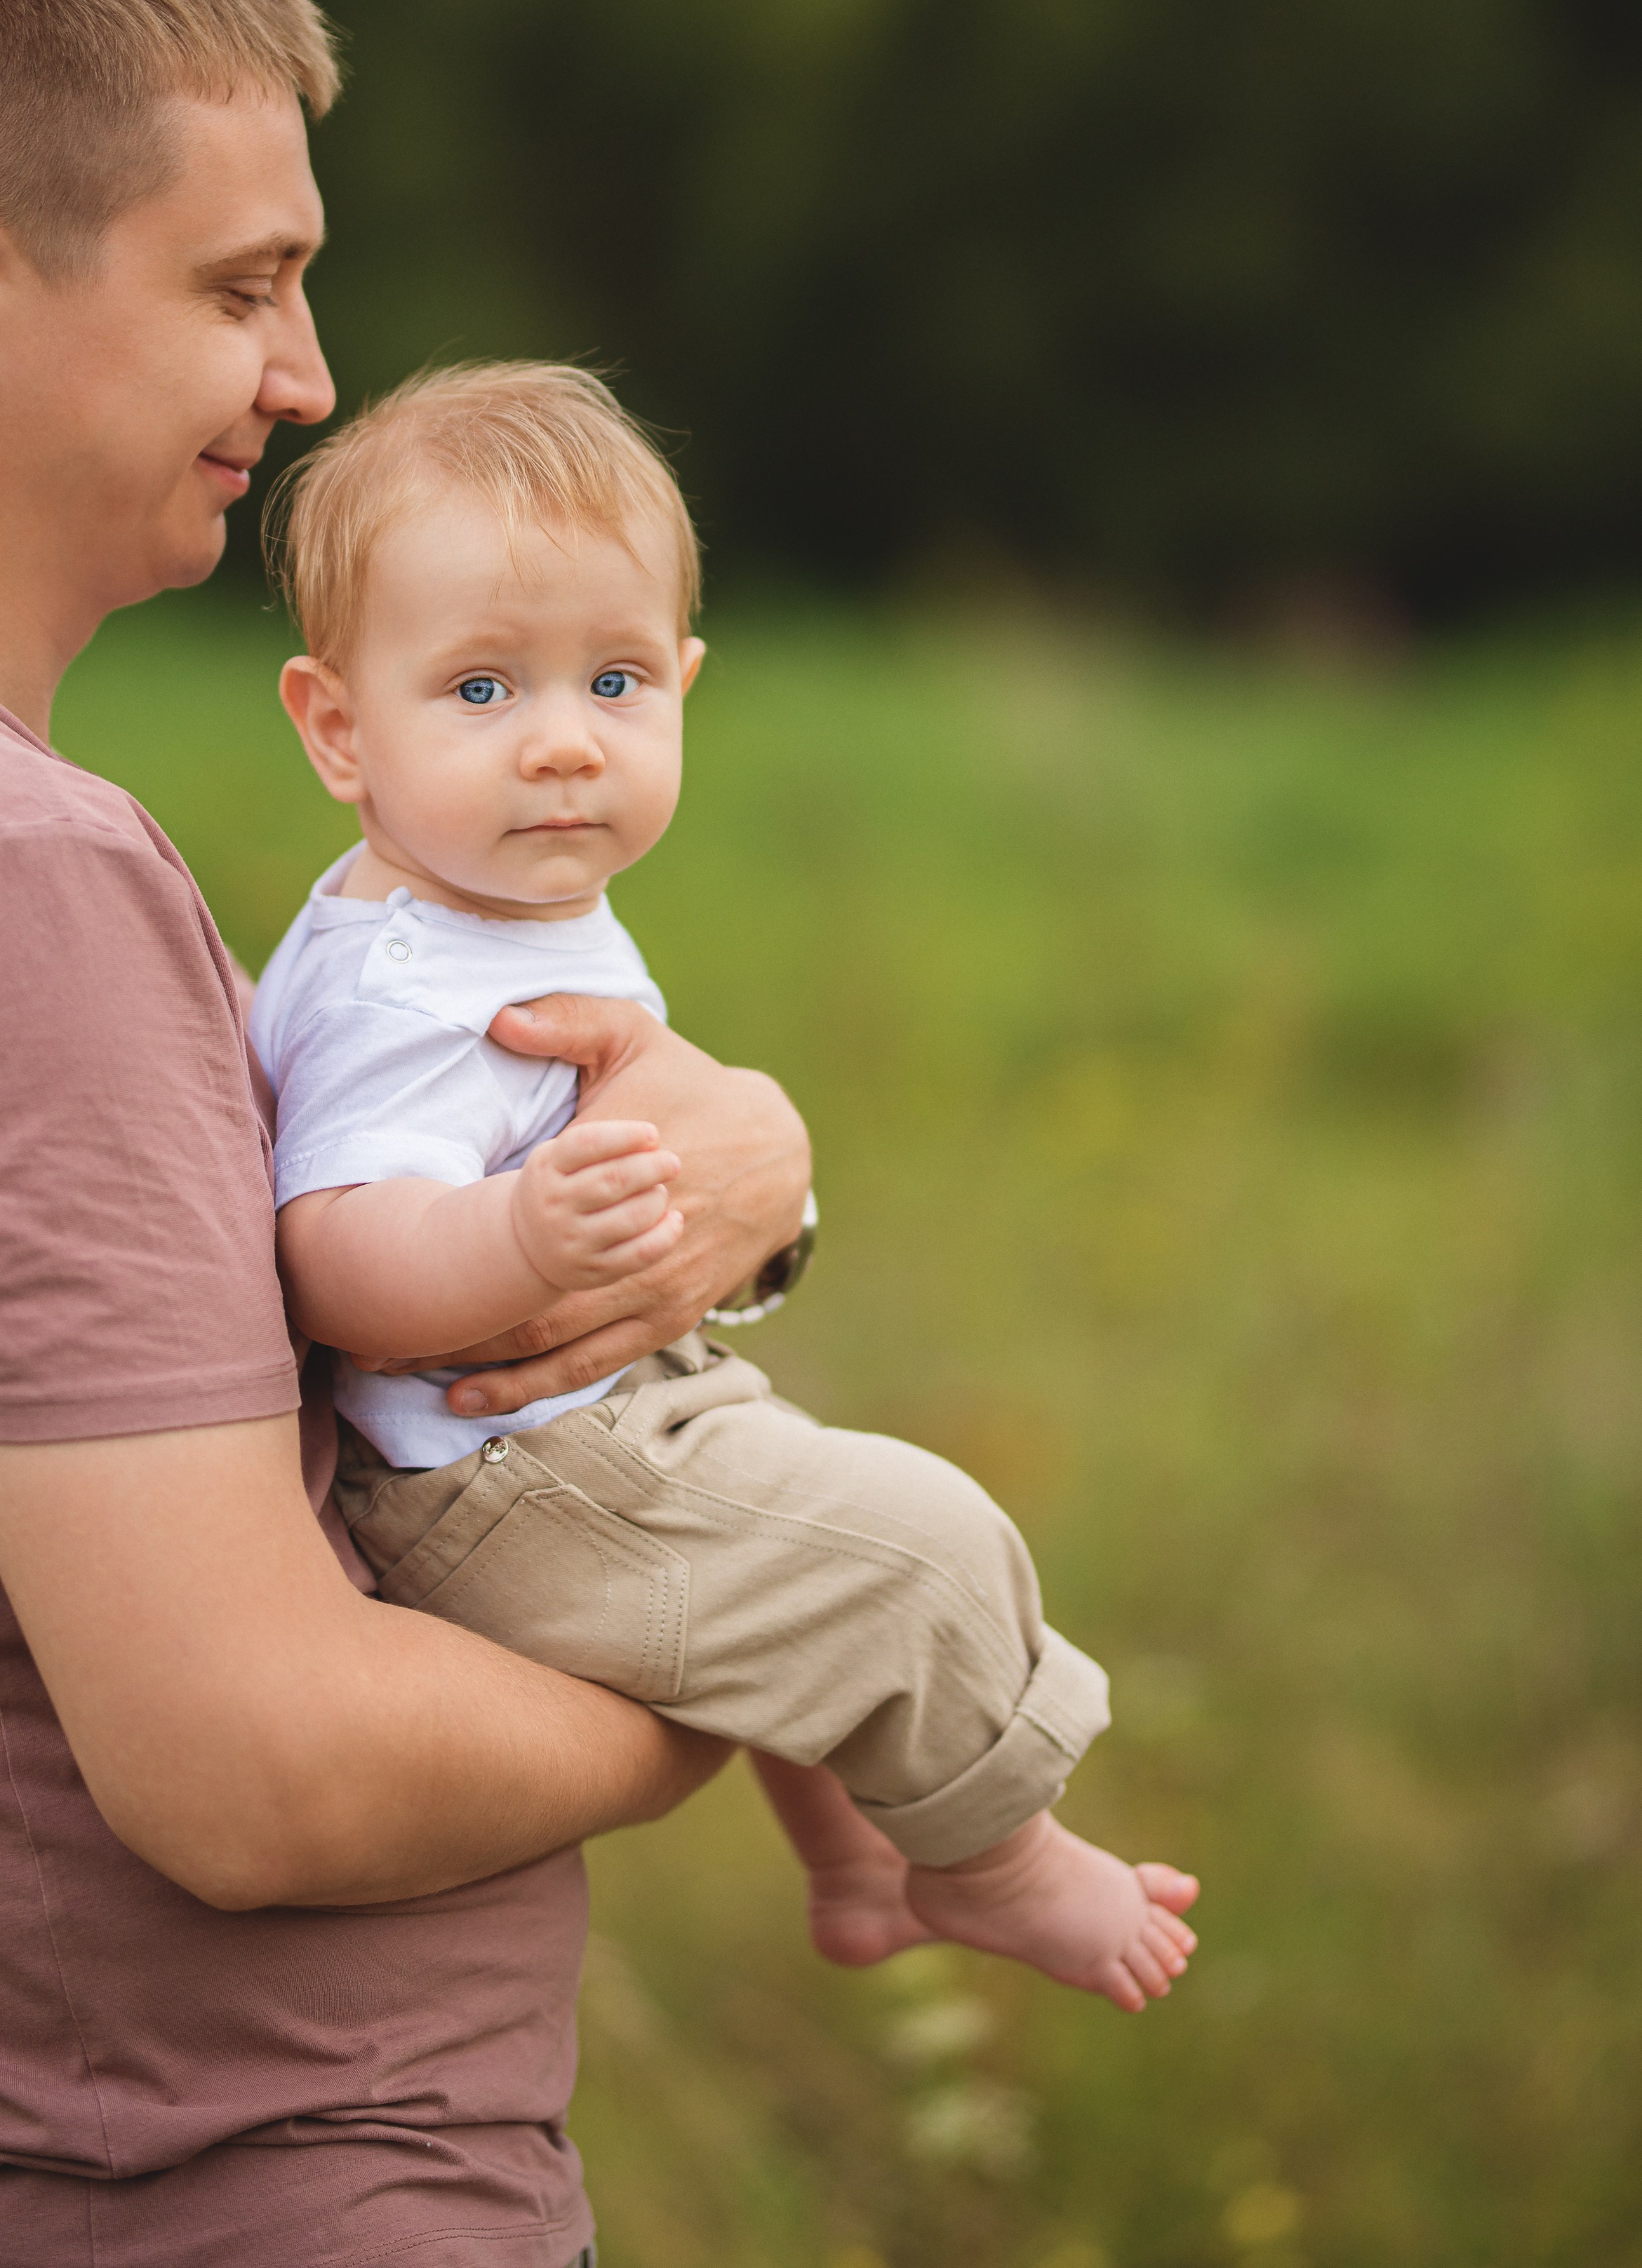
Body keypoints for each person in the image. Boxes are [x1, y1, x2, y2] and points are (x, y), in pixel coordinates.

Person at [0, 0, 810, 2268]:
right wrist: (811, 1659)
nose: (305, 381)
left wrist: (763, 1172)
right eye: (243, 286)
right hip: (224, 2182)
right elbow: (257, 1774)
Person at [258, 360, 1201, 2006]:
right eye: (481, 692)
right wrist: (515, 1232)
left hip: (585, 1421)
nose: (562, 743)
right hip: (493, 1471)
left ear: (685, 684)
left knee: (794, 1516)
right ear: (338, 728)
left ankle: (855, 1867)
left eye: (614, 681)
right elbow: (330, 1255)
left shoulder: (488, 897)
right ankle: (996, 1863)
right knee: (916, 1546)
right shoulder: (401, 988)